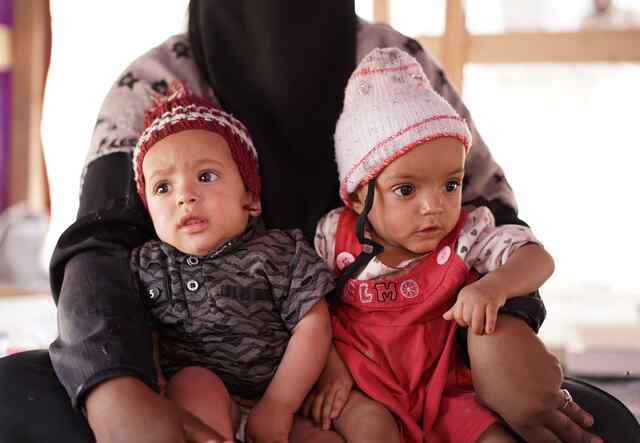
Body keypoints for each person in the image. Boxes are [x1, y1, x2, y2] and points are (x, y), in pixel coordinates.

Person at [0, 2, 637, 443]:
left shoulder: (390, 65)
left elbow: (487, 220)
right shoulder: (157, 84)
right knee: (12, 397)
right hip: (187, 381)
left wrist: (506, 333)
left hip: (372, 376)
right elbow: (99, 247)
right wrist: (116, 386)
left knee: (602, 426)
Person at [312, 47, 555, 443]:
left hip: (445, 387)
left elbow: (538, 259)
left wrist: (495, 285)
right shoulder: (333, 237)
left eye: (451, 184)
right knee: (371, 432)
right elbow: (306, 308)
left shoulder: (467, 234)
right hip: (362, 383)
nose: (434, 207)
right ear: (358, 198)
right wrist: (328, 365)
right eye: (406, 190)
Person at [129, 83, 334, 442]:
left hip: (281, 399)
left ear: (251, 198)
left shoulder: (279, 252)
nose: (185, 197)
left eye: (205, 177)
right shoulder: (147, 263)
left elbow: (314, 323)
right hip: (201, 413)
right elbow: (133, 328)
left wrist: (279, 405)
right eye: (163, 188)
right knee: (193, 383)